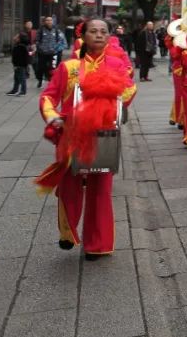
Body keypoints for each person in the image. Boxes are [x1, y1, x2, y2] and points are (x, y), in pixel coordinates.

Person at [34, 19, 136, 259]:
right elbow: (49, 97)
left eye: (104, 32)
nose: (99, 35)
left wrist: (116, 96)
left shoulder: (116, 64)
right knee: (70, 185)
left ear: (110, 36)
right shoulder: (69, 67)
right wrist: (53, 117)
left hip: (103, 134)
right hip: (73, 134)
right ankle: (68, 231)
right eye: (93, 31)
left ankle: (97, 244)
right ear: (83, 36)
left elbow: (129, 90)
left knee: (101, 189)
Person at [34, 16, 64, 88]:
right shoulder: (41, 30)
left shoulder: (56, 30)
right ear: (45, 21)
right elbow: (37, 40)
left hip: (53, 53)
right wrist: (40, 47)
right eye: (47, 20)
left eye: (50, 20)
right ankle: (40, 80)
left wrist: (56, 47)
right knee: (41, 67)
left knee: (53, 67)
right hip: (42, 53)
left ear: (52, 21)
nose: (49, 22)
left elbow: (60, 39)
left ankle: (51, 81)